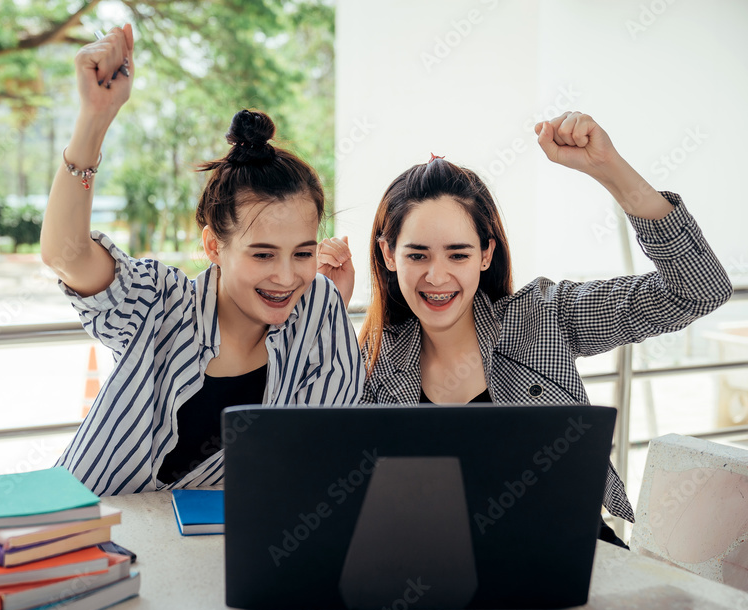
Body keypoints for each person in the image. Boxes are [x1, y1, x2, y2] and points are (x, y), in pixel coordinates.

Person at [318, 112, 732, 545]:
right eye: (418, 255)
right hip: (443, 569)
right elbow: (328, 483)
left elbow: (698, 290)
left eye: (457, 255)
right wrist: (326, 310)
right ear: (388, 254)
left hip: (572, 555)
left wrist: (609, 169)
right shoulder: (370, 363)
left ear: (485, 253)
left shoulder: (541, 317)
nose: (437, 277)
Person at [43, 25, 362, 496]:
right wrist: (95, 117)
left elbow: (326, 464)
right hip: (83, 535)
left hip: (210, 557)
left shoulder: (320, 309)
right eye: (262, 254)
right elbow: (64, 254)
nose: (287, 275)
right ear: (214, 247)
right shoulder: (159, 301)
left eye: (303, 252)